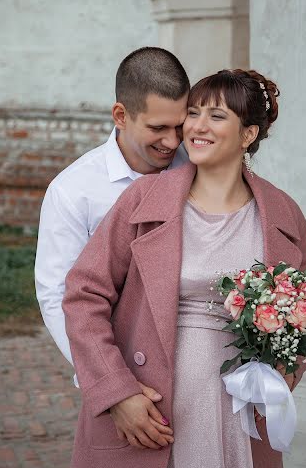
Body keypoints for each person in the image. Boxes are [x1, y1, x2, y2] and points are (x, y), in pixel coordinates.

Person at [62, 69, 306, 468]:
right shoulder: (144, 198)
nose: (196, 126)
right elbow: (84, 295)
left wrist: (282, 375)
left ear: (247, 135)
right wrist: (117, 393)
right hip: (153, 403)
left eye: (217, 116)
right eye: (193, 112)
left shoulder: (282, 213)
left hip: (239, 409)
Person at [35, 46, 190, 368]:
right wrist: (104, 379)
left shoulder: (200, 169)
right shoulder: (72, 191)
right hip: (118, 359)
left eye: (180, 126)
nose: (173, 142)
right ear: (121, 116)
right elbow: (57, 295)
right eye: (158, 128)